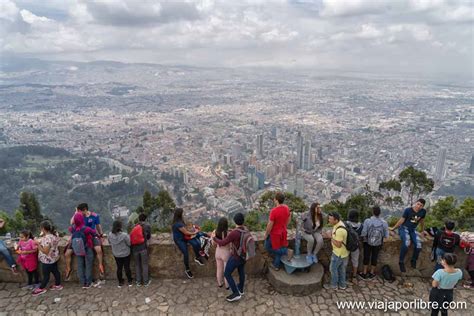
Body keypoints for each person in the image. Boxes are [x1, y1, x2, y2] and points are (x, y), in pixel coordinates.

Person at [65, 203, 105, 280]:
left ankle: (100, 265)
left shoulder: (94, 216)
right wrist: (75, 213)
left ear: (85, 210)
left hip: (91, 235)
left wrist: (101, 234)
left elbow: (98, 226)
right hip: (79, 237)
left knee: (98, 250)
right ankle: (68, 268)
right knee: (67, 253)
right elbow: (72, 222)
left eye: (79, 211)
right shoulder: (79, 216)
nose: (79, 213)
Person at [213, 213, 247, 302]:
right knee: (241, 272)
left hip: (231, 255)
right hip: (243, 256)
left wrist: (214, 238)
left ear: (235, 221)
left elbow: (222, 242)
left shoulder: (231, 233)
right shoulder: (245, 230)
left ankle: (233, 291)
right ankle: (239, 289)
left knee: (225, 272)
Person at [389, 198, 428, 272]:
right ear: (415, 203)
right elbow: (401, 220)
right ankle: (401, 261)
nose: (419, 206)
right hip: (404, 228)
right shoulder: (408, 210)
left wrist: (422, 231)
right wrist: (393, 228)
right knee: (406, 243)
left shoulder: (423, 212)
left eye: (421, 205)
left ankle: (413, 260)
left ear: (423, 207)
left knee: (419, 246)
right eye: (418, 204)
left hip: (413, 230)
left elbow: (422, 221)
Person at [172, 208, 206, 279]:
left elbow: (187, 228)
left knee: (196, 243)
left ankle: (197, 257)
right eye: (182, 213)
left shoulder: (180, 220)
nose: (183, 214)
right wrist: (194, 232)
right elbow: (186, 232)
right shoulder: (177, 224)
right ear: (179, 214)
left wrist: (193, 228)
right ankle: (187, 269)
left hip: (185, 237)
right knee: (186, 253)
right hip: (179, 239)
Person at [32, 220, 63, 296]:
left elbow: (45, 251)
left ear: (43, 228)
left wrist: (37, 243)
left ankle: (41, 288)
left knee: (46, 275)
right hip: (54, 258)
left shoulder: (47, 239)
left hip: (47, 260)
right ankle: (58, 285)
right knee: (56, 272)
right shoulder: (55, 234)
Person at [264, 192, 292, 271]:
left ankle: (287, 251)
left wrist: (266, 234)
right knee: (278, 248)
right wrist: (284, 226)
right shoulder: (286, 208)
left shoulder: (274, 211)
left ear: (276, 200)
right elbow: (289, 218)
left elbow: (270, 224)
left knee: (267, 246)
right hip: (283, 232)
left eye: (274, 198)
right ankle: (276, 265)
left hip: (275, 234)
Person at [359, 206, 389, 280]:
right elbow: (386, 235)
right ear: (380, 213)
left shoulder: (367, 221)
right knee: (375, 257)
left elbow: (363, 233)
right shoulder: (384, 222)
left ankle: (365, 272)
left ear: (372, 212)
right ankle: (372, 273)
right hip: (378, 243)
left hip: (367, 242)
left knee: (366, 256)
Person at [323, 211, 349, 290]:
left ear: (336, 220)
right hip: (344, 253)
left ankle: (333, 285)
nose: (329, 220)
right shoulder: (339, 224)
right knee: (341, 269)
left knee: (333, 269)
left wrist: (330, 236)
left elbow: (338, 244)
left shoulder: (340, 230)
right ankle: (342, 285)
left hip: (338, 254)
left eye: (331, 219)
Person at [69, 213, 96, 289]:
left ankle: (82, 281)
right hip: (87, 248)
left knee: (80, 265)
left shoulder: (72, 229)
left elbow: (71, 225)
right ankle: (88, 282)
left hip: (78, 249)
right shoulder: (86, 229)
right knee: (88, 265)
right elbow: (94, 233)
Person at [108, 220, 132, 288]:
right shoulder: (124, 235)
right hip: (125, 253)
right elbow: (129, 243)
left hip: (116, 254)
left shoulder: (110, 235)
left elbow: (109, 242)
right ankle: (130, 281)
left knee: (119, 268)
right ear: (120, 227)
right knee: (127, 267)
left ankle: (120, 282)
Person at [130, 213, 151, 287]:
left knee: (137, 265)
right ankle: (146, 282)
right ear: (145, 219)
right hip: (143, 248)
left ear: (139, 219)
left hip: (135, 248)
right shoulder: (147, 225)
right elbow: (148, 237)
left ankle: (138, 282)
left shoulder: (135, 226)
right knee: (144, 265)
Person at [213, 217, 230, 289]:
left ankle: (220, 283)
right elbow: (230, 244)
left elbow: (213, 243)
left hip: (218, 251)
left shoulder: (215, 232)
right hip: (226, 252)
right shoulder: (228, 233)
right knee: (227, 270)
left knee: (219, 269)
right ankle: (227, 285)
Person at [346, 209, 363, 283]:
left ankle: (343, 275)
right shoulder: (361, 226)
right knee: (355, 261)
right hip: (356, 246)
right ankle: (354, 276)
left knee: (345, 261)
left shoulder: (345, 224)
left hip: (346, 245)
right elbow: (363, 235)